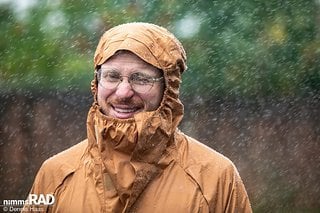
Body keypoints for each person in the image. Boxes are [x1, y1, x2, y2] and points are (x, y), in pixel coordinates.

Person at [23, 22, 252, 212]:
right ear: (96, 83)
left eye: (141, 79)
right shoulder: (55, 174)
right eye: (112, 76)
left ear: (168, 89)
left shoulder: (215, 177)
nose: (123, 92)